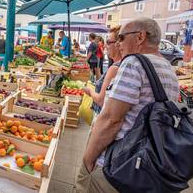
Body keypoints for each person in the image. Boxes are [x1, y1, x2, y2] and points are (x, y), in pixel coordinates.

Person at [76, 18, 179, 193]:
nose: (118, 43)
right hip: (142, 165)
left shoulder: (133, 63)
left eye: (122, 37)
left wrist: (88, 159)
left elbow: (111, 120)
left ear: (140, 37)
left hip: (115, 164)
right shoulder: (168, 69)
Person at [83, 26, 122, 117]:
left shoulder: (115, 68)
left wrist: (90, 91)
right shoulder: (120, 65)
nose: (104, 46)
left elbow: (101, 100)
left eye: (108, 42)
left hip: (101, 115)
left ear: (119, 44)